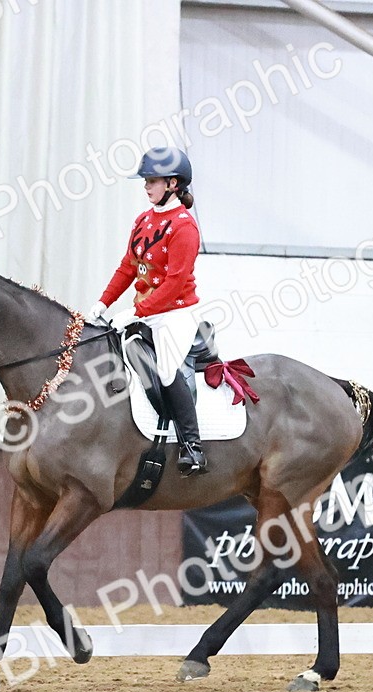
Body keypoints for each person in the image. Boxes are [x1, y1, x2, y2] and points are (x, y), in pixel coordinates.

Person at [89, 147, 208, 476]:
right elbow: (128, 268)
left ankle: (192, 447)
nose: (146, 186)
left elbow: (173, 283)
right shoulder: (143, 221)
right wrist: (103, 303)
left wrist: (137, 311)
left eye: (151, 181)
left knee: (167, 371)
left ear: (172, 184)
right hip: (148, 310)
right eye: (145, 181)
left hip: (176, 313)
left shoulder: (185, 228)